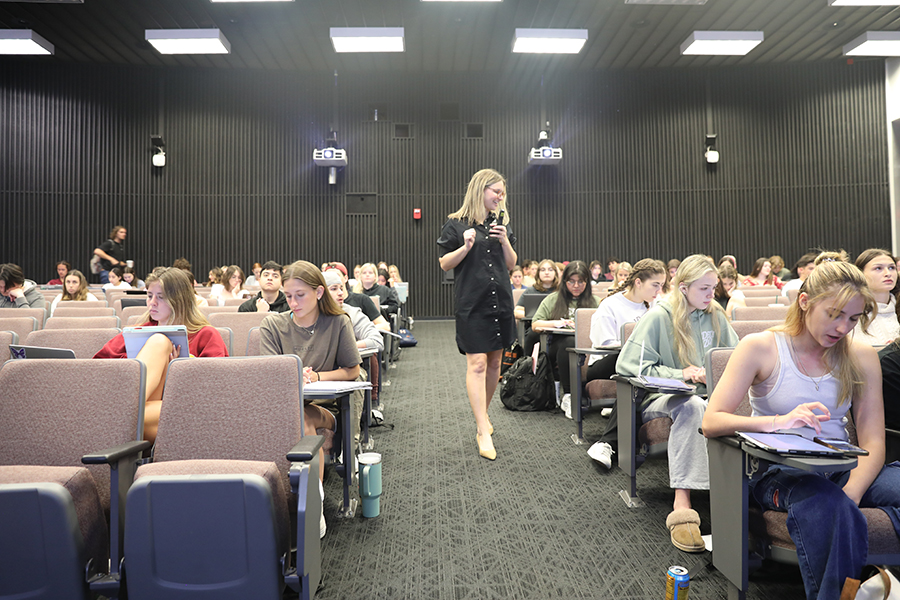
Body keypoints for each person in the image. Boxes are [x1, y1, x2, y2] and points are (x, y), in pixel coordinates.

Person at [702, 255, 899, 600]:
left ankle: (869, 580)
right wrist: (778, 422)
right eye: (834, 314)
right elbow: (712, 421)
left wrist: (851, 492)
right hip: (780, 471)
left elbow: (873, 441)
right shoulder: (761, 347)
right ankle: (856, 588)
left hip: (842, 465)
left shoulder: (862, 355)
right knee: (828, 507)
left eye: (853, 318)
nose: (843, 327)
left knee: (838, 505)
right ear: (805, 302)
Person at [617, 255, 739, 552]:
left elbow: (736, 358)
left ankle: (741, 498)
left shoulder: (715, 314)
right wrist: (681, 373)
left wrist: (715, 373)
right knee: (692, 406)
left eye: (713, 287)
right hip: (663, 398)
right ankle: (682, 504)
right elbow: (628, 366)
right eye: (704, 289)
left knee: (724, 407)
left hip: (710, 395)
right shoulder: (659, 316)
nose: (711, 294)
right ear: (683, 288)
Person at [259, 261, 362, 538]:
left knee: (303, 419)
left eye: (300, 295)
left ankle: (312, 511)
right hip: (282, 404)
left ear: (318, 292)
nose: (293, 303)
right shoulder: (273, 324)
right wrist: (291, 374)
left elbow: (352, 370)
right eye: (288, 296)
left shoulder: (338, 322)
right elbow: (268, 372)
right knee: (293, 415)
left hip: (323, 407)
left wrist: (317, 377)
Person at [94, 268, 228, 442]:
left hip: (190, 414)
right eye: (149, 296)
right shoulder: (136, 332)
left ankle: (109, 418)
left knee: (159, 341)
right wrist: (140, 359)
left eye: (161, 297)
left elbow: (218, 390)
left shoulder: (206, 334)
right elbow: (98, 368)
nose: (152, 303)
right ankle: (117, 417)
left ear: (179, 300)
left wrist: (181, 368)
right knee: (159, 341)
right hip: (151, 419)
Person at [438, 168, 517, 461]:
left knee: (496, 362)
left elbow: (511, 265)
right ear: (480, 189)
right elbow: (445, 263)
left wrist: (505, 241)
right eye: (496, 191)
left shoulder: (502, 223)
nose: (500, 196)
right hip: (472, 303)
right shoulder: (456, 224)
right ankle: (483, 429)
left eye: (502, 192)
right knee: (478, 363)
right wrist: (466, 246)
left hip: (501, 301)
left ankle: (482, 416)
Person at [584, 259, 667, 468]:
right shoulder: (610, 305)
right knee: (635, 365)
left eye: (662, 285)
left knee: (640, 373)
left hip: (637, 366)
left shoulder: (656, 306)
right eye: (655, 285)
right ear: (638, 282)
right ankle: (608, 442)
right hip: (605, 362)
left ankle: (607, 442)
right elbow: (604, 344)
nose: (659, 290)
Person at [530, 261, 600, 415]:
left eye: (580, 282)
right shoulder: (553, 299)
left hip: (586, 346)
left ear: (587, 282)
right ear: (564, 282)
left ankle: (589, 394)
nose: (576, 286)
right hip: (557, 346)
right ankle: (568, 394)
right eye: (571, 282)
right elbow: (535, 324)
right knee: (569, 343)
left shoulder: (595, 301)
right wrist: (557, 323)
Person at [853, 248, 899, 346]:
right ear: (861, 273)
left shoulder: (897, 309)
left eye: (891, 268)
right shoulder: (851, 314)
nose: (888, 273)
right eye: (878, 268)